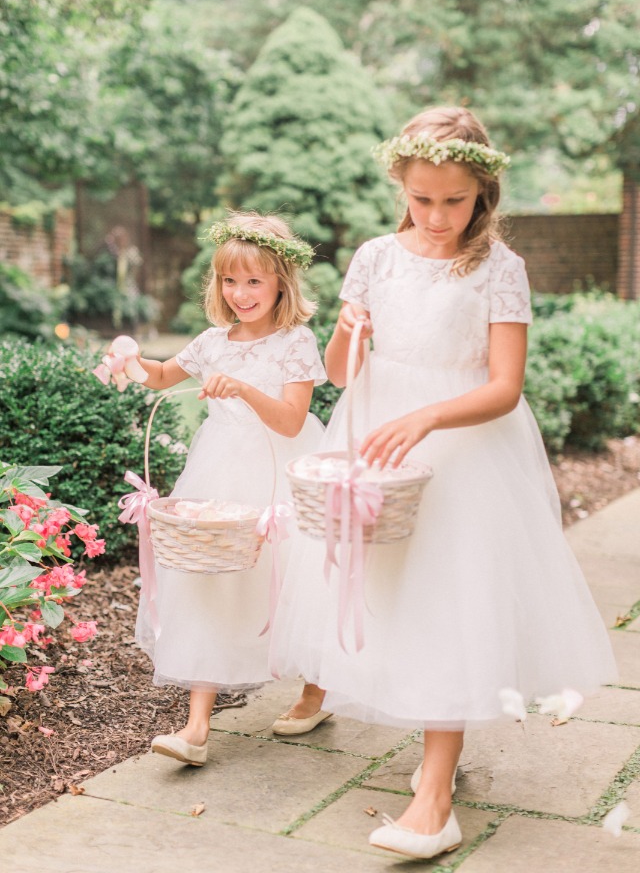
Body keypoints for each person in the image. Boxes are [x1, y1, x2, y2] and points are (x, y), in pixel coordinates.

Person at [269, 107, 617, 859]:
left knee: (446, 603)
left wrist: (428, 417)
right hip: (378, 441)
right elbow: (338, 374)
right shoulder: (374, 258)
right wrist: (347, 328)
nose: (435, 216)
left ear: (482, 191)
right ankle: (427, 761)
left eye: (453, 200)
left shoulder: (500, 270)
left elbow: (504, 387)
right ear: (401, 183)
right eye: (422, 199)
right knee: (393, 599)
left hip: (462, 447)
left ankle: (434, 796)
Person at [134, 212, 326, 767]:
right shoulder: (213, 341)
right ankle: (196, 726)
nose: (240, 294)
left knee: (293, 576)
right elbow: (164, 375)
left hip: (281, 468)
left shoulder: (295, 341)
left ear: (281, 283)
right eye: (228, 281)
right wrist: (129, 363)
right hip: (219, 470)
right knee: (208, 578)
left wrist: (241, 388)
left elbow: (291, 421)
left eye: (254, 281)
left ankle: (314, 689)